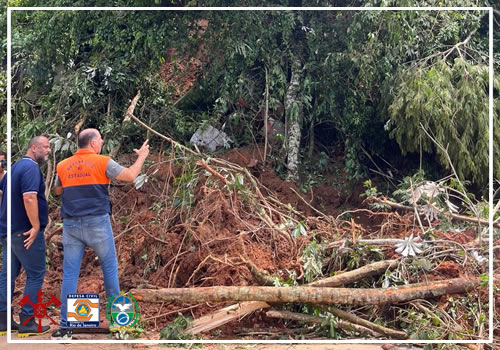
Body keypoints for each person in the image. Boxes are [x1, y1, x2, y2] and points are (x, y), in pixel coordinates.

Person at [51, 128, 149, 340]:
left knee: (70, 274)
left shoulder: (62, 165)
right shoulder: (103, 162)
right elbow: (131, 176)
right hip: (97, 223)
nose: (102, 142)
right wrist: (141, 156)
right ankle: (119, 326)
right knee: (109, 269)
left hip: (71, 225)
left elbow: (57, 191)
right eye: (101, 140)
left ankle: (65, 328)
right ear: (94, 143)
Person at [0, 137, 51, 337]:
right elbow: (29, 197)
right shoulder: (30, 168)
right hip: (25, 232)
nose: (48, 150)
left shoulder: (13, 168)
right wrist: (36, 226)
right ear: (34, 148)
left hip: (8, 231)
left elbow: (2, 191)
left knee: (7, 275)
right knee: (36, 273)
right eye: (45, 147)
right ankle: (27, 321)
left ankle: (3, 321)